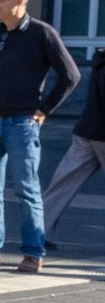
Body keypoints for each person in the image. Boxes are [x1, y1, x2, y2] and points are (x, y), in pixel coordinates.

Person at [0, 0, 81, 273]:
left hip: (21, 124)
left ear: (19, 1)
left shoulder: (42, 33)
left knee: (26, 190)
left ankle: (33, 252)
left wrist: (43, 111)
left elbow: (71, 76)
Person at [43, 50, 104, 244]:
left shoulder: (99, 62)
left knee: (63, 184)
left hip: (86, 129)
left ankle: (38, 232)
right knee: (63, 182)